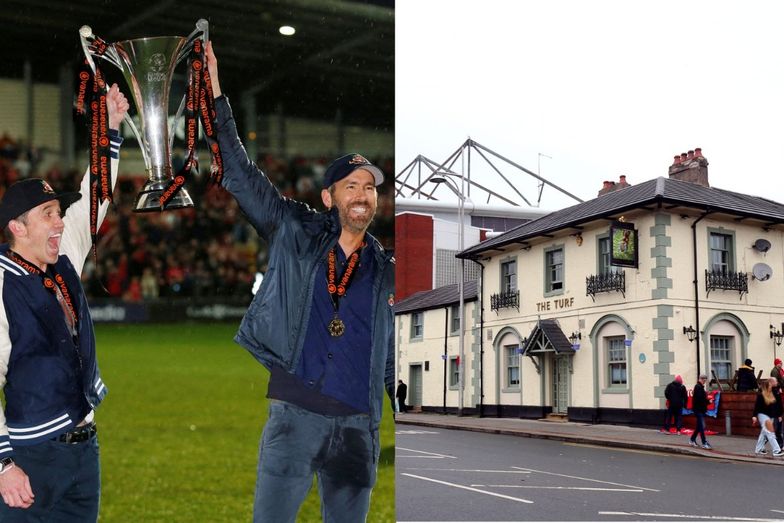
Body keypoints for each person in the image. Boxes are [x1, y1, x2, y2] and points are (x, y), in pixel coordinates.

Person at [205, 42, 395, 523]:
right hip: (295, 417)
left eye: (369, 187)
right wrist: (215, 95)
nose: (362, 194)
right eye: (350, 185)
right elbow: (241, 176)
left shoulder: (387, 270)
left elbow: (397, 353)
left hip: (358, 427)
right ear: (329, 197)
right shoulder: (294, 231)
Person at [0, 84, 127, 520]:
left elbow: (95, 201)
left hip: (83, 453)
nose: (60, 222)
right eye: (48, 215)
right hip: (30, 457)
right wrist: (3, 464)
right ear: (17, 228)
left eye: (59, 212)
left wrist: (108, 129)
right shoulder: (2, 284)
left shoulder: (62, 256)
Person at [752, 378, 784, 456]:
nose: (771, 387)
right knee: (770, 432)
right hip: (763, 415)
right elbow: (757, 407)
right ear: (766, 387)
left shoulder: (771, 394)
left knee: (764, 433)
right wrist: (754, 416)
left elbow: (775, 406)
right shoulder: (761, 395)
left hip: (770, 416)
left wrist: (778, 415)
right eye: (769, 386)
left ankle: (759, 449)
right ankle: (776, 450)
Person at [688, 373, 712, 450]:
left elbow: (701, 399)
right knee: (702, 426)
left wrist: (708, 401)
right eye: (704, 380)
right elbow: (699, 399)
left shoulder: (700, 387)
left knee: (699, 426)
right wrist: (708, 401)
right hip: (698, 410)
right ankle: (704, 442)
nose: (705, 381)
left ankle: (692, 440)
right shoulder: (698, 387)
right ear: (701, 379)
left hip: (700, 409)